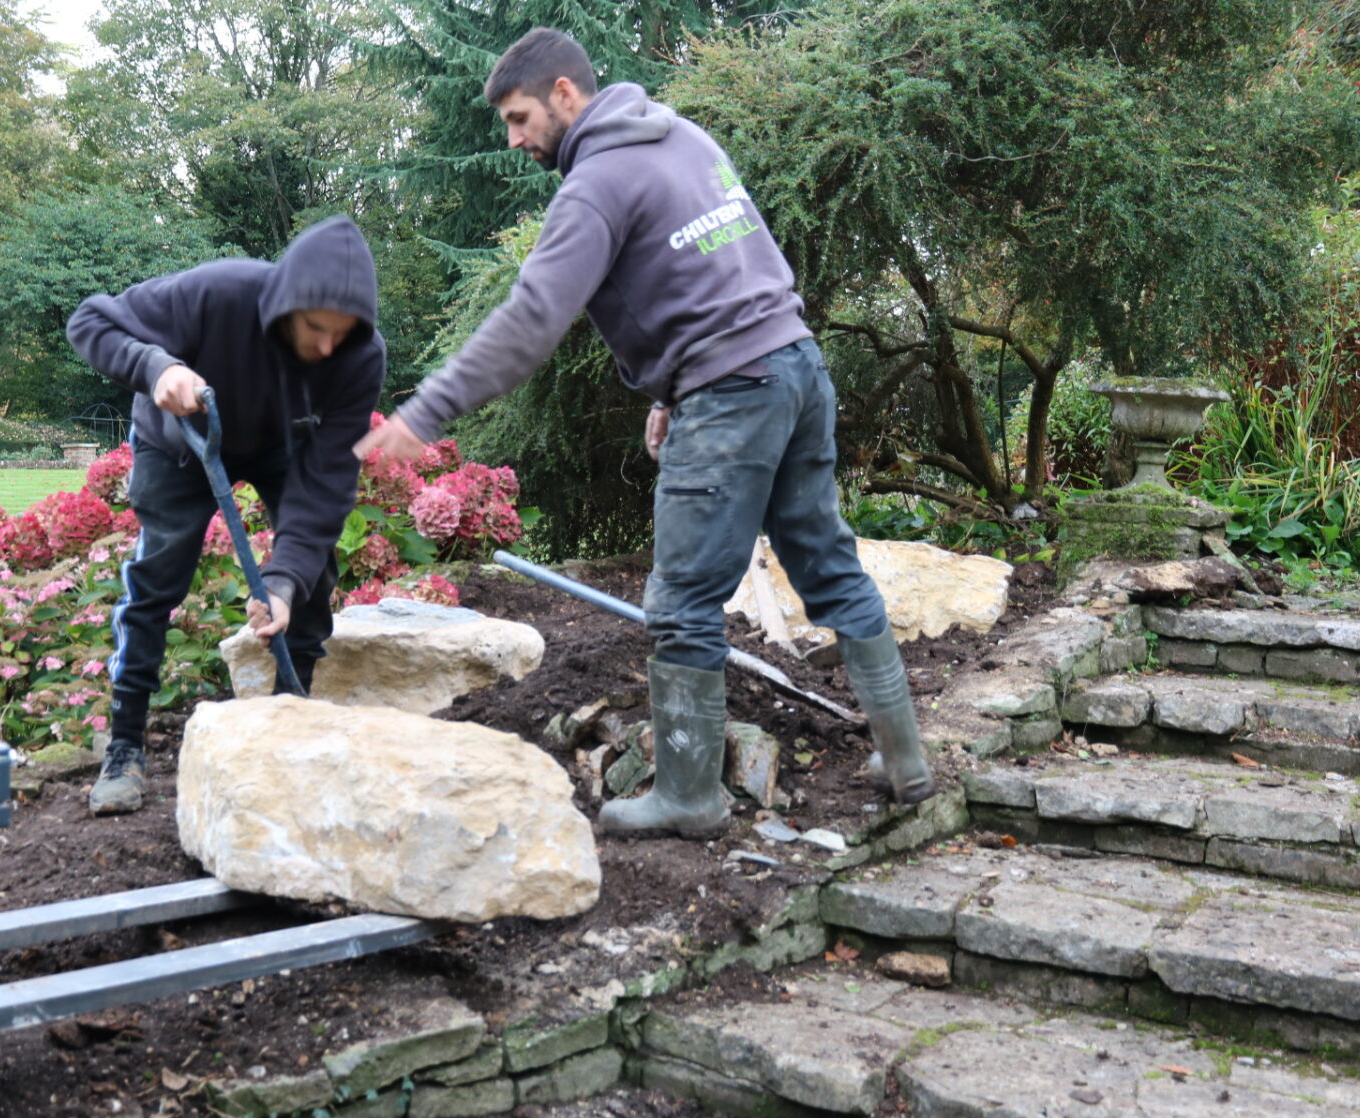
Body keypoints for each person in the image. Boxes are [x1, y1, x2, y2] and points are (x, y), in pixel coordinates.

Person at [354, 29, 933, 838]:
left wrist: (426, 412)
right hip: (794, 368)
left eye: (519, 118)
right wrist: (669, 389)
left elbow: (532, 318)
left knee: (682, 599)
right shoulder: (683, 138)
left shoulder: (595, 183)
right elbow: (719, 269)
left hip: (735, 393)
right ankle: (905, 763)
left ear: (564, 93)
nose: (515, 140)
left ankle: (690, 797)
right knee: (831, 567)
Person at [68, 215, 385, 815]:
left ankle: (290, 721)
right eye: (316, 328)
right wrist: (155, 366)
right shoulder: (221, 293)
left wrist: (284, 580)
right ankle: (126, 745)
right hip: (181, 440)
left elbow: (327, 485)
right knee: (159, 576)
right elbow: (90, 320)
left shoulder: (359, 358)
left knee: (311, 578)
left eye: (339, 336)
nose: (325, 348)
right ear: (287, 304)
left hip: (285, 442)